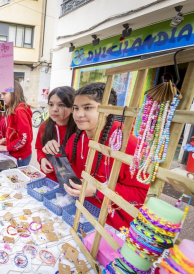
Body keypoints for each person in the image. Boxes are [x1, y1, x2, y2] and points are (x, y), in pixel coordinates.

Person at [44, 82, 148, 229]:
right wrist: (52, 156)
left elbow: (143, 195)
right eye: (76, 108)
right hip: (77, 210)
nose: (79, 114)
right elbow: (65, 175)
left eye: (88, 107)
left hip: (112, 223)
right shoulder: (75, 139)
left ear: (108, 110)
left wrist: (98, 190)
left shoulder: (130, 145)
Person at [37, 87, 77, 181]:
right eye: (51, 104)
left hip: (71, 183)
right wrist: (42, 159)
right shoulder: (44, 127)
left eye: (61, 105)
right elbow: (39, 148)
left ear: (72, 108)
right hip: (48, 179)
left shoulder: (79, 131)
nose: (54, 109)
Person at [0, 81, 33, 167]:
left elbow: (24, 138)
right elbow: (14, 133)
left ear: (14, 94)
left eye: (4, 94)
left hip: (21, 156)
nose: (2, 97)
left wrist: (7, 147)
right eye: (1, 94)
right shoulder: (11, 110)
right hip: (16, 153)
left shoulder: (19, 111)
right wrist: (6, 139)